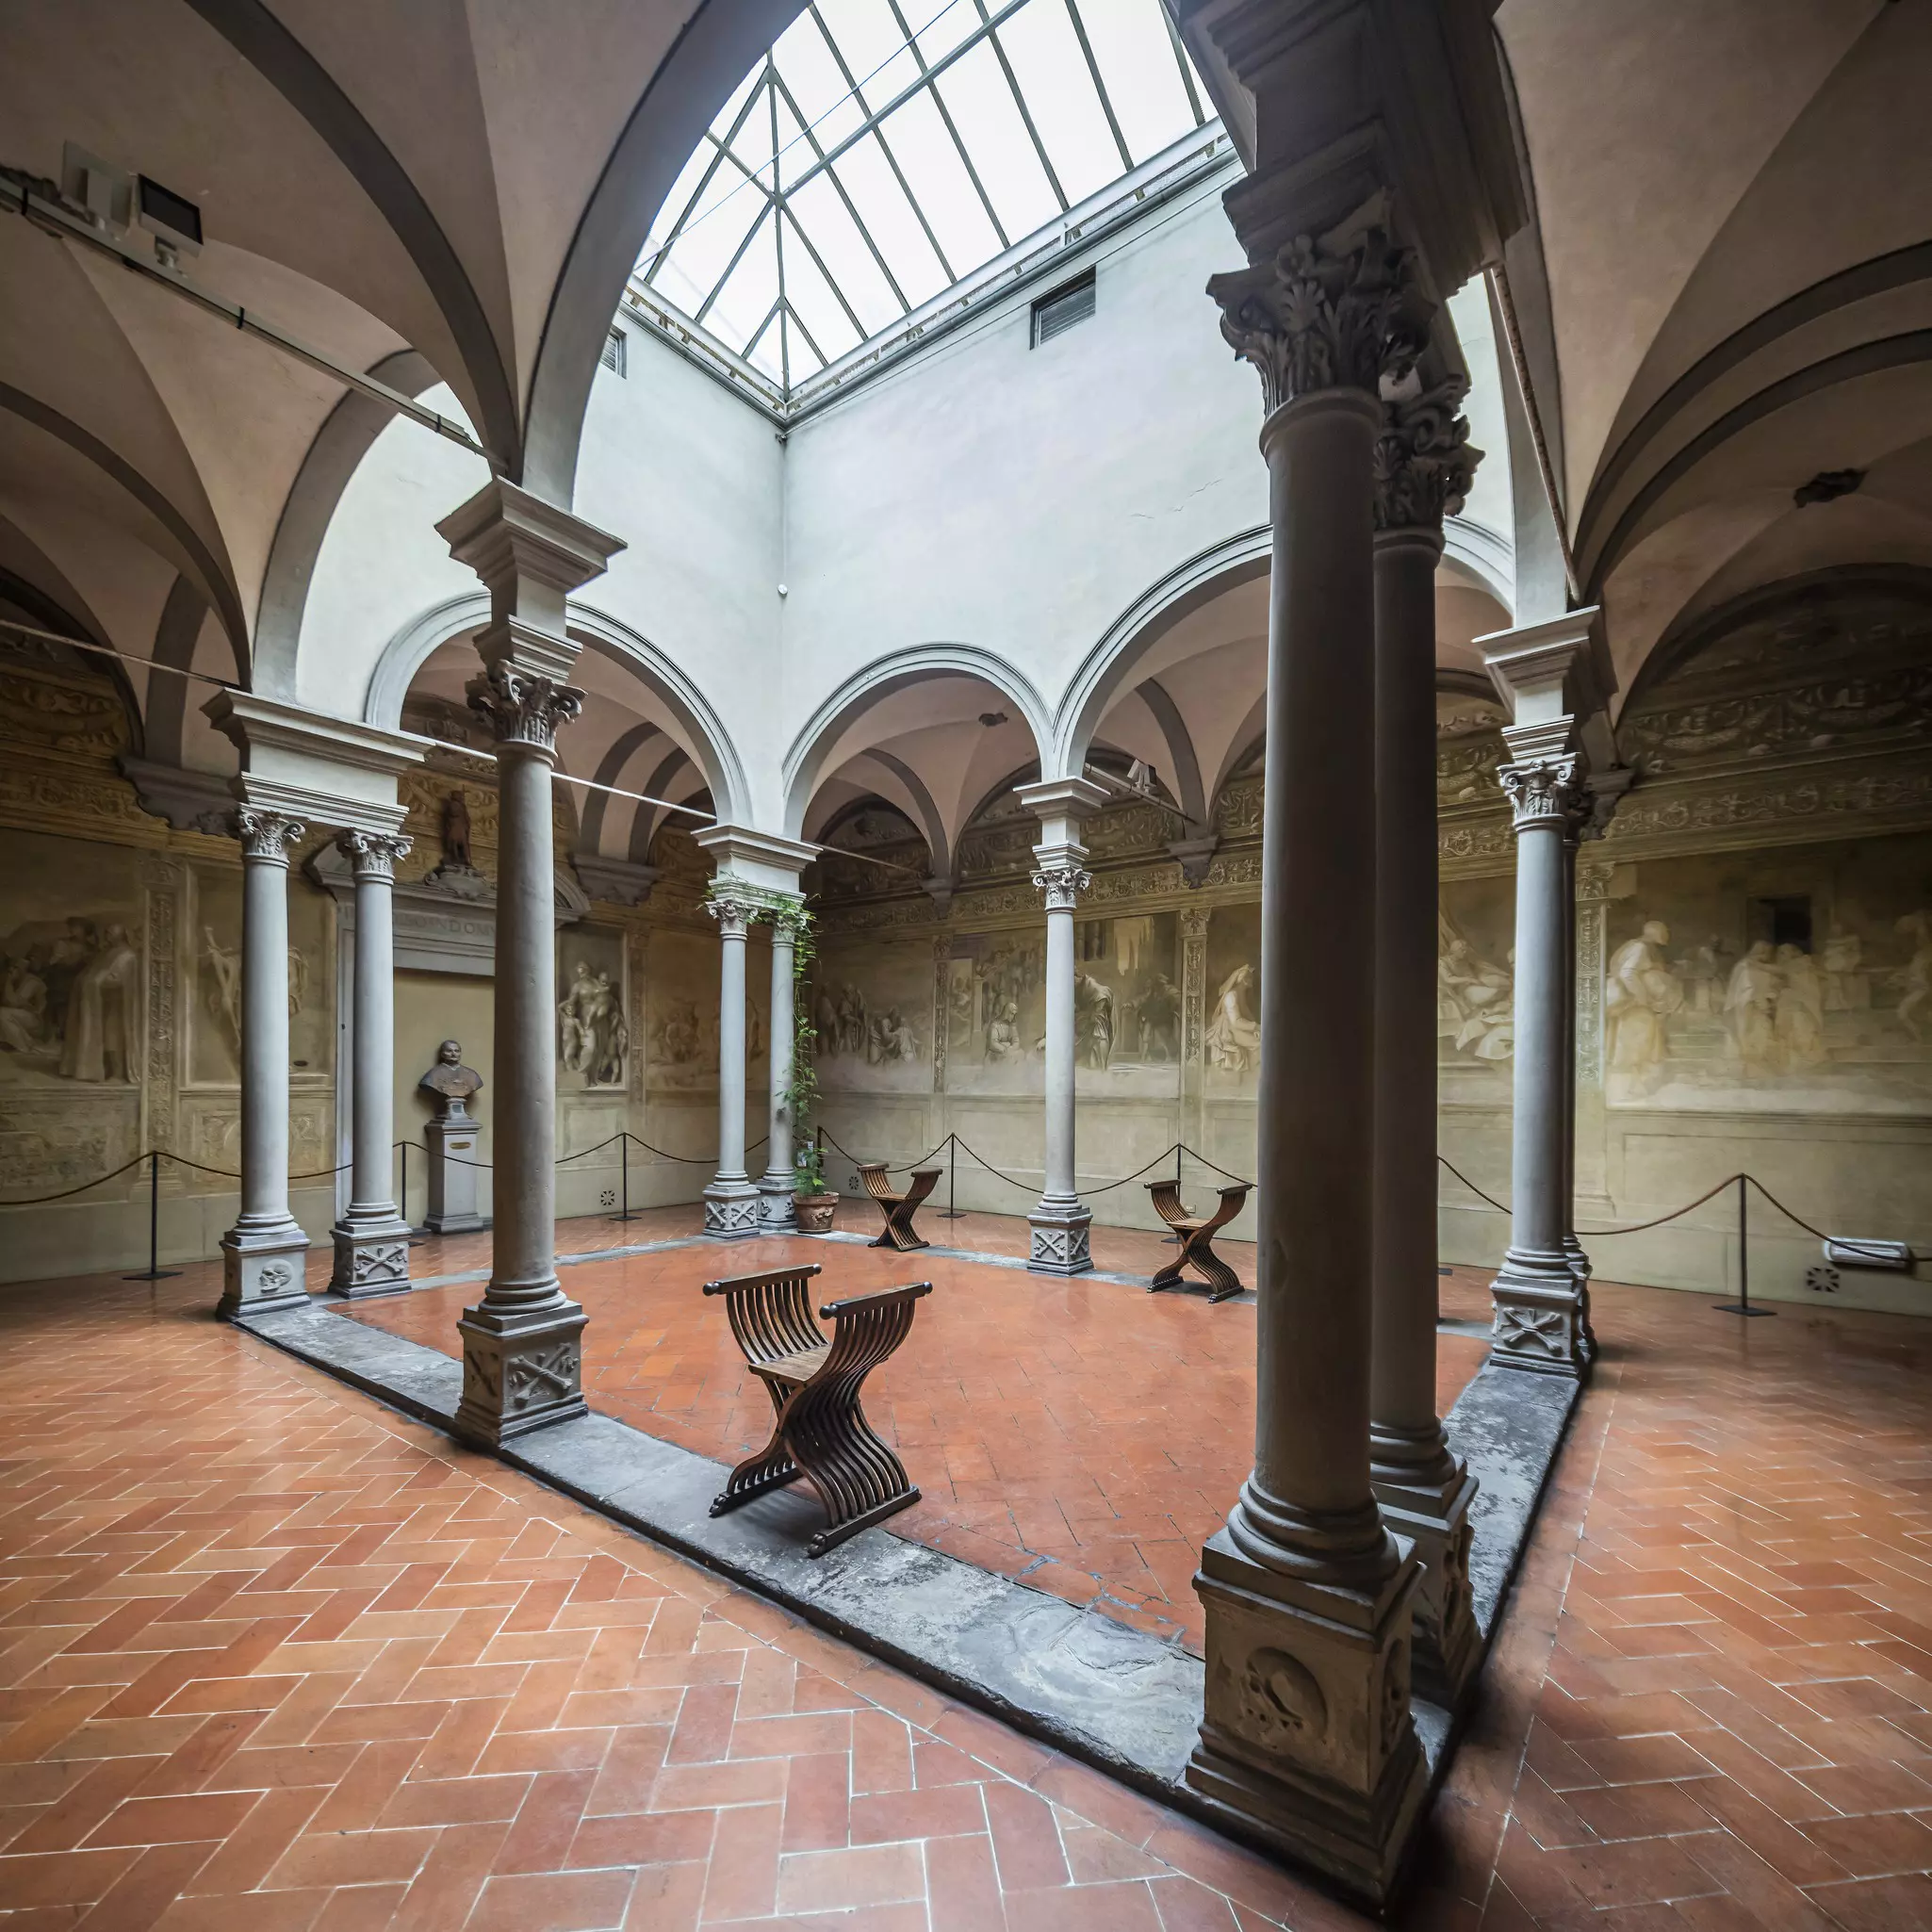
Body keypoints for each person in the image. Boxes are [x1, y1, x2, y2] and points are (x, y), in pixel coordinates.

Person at [1604, 919, 1680, 1096]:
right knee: (1635, 1046)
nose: (1667, 935)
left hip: (1635, 1005)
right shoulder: (1640, 947)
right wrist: (1643, 998)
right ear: (1656, 932)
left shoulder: (1637, 946)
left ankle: (1634, 1088)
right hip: (1634, 1005)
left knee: (1639, 1046)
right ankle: (1626, 1091)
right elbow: (1627, 973)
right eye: (1664, 931)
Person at [59, 922, 139, 1081]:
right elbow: (92, 972)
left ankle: (118, 1074)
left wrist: (94, 982)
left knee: (113, 1038)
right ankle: (104, 1070)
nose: (106, 936)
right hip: (100, 1002)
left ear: (121, 935)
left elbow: (117, 980)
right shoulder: (107, 953)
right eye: (106, 932)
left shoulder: (127, 956)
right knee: (102, 1039)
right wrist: (88, 980)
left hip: (118, 1004)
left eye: (110, 933)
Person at [1724, 941, 1782, 1076]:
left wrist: (1770, 999)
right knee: (1748, 1032)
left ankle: (1758, 1064)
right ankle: (1749, 1065)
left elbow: (1773, 986)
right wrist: (1756, 998)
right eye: (1765, 952)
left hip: (1760, 1008)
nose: (1767, 955)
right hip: (1747, 1005)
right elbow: (1742, 989)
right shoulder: (1744, 967)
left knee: (1762, 1032)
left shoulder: (1764, 968)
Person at [1774, 944, 1826, 1068]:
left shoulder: (1799, 963)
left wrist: (1751, 964)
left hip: (1806, 1002)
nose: (1780, 956)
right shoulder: (1799, 965)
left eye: (1783, 953)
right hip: (1800, 1001)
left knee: (1799, 1019)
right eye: (1779, 952)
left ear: (1792, 953)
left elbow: (1776, 969)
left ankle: (1805, 1052)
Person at [1204, 963, 1261, 1073]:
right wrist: (1256, 1027)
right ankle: (1254, 1076)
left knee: (1262, 1040)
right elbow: (1236, 1022)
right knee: (1260, 1044)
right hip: (1228, 1030)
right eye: (1249, 977)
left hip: (1236, 1028)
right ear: (1243, 980)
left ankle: (1256, 1074)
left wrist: (1255, 1029)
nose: (1252, 980)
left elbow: (1246, 1013)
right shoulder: (1232, 996)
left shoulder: (1241, 993)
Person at [419, 1038, 483, 1119]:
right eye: (449, 1051)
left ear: (460, 1053)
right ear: (442, 1054)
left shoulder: (472, 1074)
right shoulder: (433, 1074)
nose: (453, 1054)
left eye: (456, 1051)